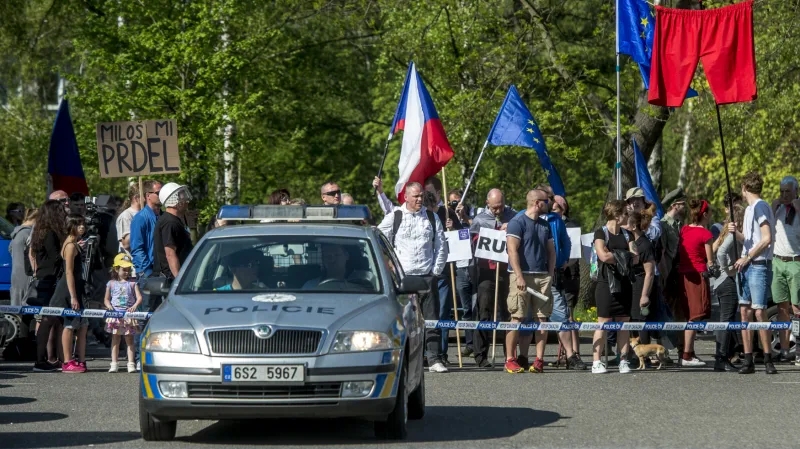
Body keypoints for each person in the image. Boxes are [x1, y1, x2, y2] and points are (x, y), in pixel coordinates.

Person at [377, 182, 448, 373]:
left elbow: (441, 246)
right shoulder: (395, 216)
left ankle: (434, 359)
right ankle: (403, 359)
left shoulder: (432, 217)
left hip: (427, 276)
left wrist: (435, 272)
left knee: (431, 320)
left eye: (421, 196)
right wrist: (389, 264)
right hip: (403, 279)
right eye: (415, 196)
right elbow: (378, 237)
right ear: (406, 197)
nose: (419, 199)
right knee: (404, 321)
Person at [504, 189, 555, 374]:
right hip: (521, 275)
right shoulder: (517, 223)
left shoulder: (545, 225)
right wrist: (519, 276)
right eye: (547, 201)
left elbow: (551, 251)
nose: (550, 204)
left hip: (542, 276)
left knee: (542, 318)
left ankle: (539, 359)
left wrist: (549, 274)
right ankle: (510, 359)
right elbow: (512, 251)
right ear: (537, 203)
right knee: (517, 317)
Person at [731, 172, 777, 374]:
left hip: (757, 264)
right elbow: (751, 239)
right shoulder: (750, 209)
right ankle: (747, 358)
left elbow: (766, 238)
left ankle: (768, 359)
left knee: (759, 311)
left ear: (744, 188)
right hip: (746, 264)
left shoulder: (760, 207)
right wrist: (736, 233)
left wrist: (747, 257)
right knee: (745, 311)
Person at [470, 189, 516, 367]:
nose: (498, 210)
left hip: (506, 269)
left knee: (508, 312)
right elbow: (472, 243)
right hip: (487, 271)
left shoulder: (512, 216)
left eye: (501, 206)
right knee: (485, 312)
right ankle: (481, 356)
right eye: (495, 207)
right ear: (487, 203)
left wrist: (509, 227)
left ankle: (509, 356)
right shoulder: (479, 220)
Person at [591, 200, 636, 374]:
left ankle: (623, 359)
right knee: (603, 323)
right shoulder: (601, 233)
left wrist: (616, 255)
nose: (627, 216)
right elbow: (602, 255)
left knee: (624, 323)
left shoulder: (627, 234)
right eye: (625, 213)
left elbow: (636, 256)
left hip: (625, 282)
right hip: (605, 284)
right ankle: (596, 361)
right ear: (617, 215)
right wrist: (624, 256)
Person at [541, 193, 585, 370]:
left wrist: (564, 260)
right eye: (548, 202)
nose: (551, 205)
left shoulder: (557, 221)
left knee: (562, 315)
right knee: (529, 317)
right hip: (531, 274)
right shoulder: (522, 218)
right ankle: (520, 356)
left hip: (558, 276)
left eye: (554, 204)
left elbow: (567, 244)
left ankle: (571, 355)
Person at [30, 200, 68, 372]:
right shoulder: (50, 233)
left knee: (49, 319)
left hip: (44, 277)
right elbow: (55, 257)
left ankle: (46, 358)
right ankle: (40, 360)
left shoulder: (40, 231)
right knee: (47, 319)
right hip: (50, 279)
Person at [676, 200, 714, 367]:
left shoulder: (684, 230)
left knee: (688, 315)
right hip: (697, 276)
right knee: (695, 316)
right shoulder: (705, 234)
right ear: (704, 214)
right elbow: (710, 260)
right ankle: (687, 355)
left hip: (682, 276)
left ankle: (688, 352)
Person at [50, 214, 88, 373]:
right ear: (71, 226)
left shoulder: (73, 244)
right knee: (70, 324)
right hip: (69, 289)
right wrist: (73, 296)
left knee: (82, 325)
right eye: (78, 224)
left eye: (83, 224)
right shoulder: (70, 246)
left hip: (78, 287)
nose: (82, 227)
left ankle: (80, 359)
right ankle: (67, 361)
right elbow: (69, 273)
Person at [712, 202, 745, 372]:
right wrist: (728, 269)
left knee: (727, 320)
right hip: (728, 282)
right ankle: (721, 358)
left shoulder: (726, 233)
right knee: (726, 321)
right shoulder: (732, 235)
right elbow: (720, 252)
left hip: (722, 282)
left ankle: (724, 356)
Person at [771, 176, 800, 363]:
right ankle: (784, 349)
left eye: (787, 191)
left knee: (797, 308)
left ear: (796, 191)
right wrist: (773, 207)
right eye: (781, 191)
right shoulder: (778, 209)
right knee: (782, 307)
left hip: (796, 261)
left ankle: (799, 351)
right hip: (778, 261)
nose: (784, 195)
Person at [553, 196, 582, 360]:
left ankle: (575, 351)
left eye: (556, 209)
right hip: (555, 275)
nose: (553, 212)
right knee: (559, 315)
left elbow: (575, 252)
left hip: (569, 275)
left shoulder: (571, 226)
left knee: (569, 315)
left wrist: (565, 262)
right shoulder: (550, 224)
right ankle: (564, 352)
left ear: (563, 209)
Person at [103, 253, 142, 373]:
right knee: (115, 339)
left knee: (129, 339)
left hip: (128, 315)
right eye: (123, 269)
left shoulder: (132, 283)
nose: (126, 272)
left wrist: (134, 306)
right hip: (115, 315)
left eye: (128, 270)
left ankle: (131, 363)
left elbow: (139, 297)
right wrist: (109, 306)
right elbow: (106, 299)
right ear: (116, 269)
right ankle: (114, 363)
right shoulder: (111, 283)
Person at [627, 211, 656, 354]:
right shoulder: (631, 242)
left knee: (641, 321)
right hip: (630, 284)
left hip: (640, 284)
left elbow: (650, 273)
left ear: (633, 226)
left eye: (625, 223)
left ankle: (646, 353)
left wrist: (644, 295)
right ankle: (633, 353)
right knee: (631, 320)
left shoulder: (645, 244)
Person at [154, 183, 194, 280]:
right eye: (182, 196)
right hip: (170, 279)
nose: (186, 200)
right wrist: (179, 281)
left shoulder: (173, 220)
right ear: (174, 199)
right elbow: (170, 254)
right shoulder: (169, 222)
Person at [10, 209, 37, 306]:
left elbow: (10, 250)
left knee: (16, 306)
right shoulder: (29, 233)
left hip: (15, 273)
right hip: (27, 274)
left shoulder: (16, 233)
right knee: (28, 306)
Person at [116, 184, 141, 257]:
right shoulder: (126, 216)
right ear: (136, 198)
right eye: (145, 195)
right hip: (132, 263)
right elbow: (126, 244)